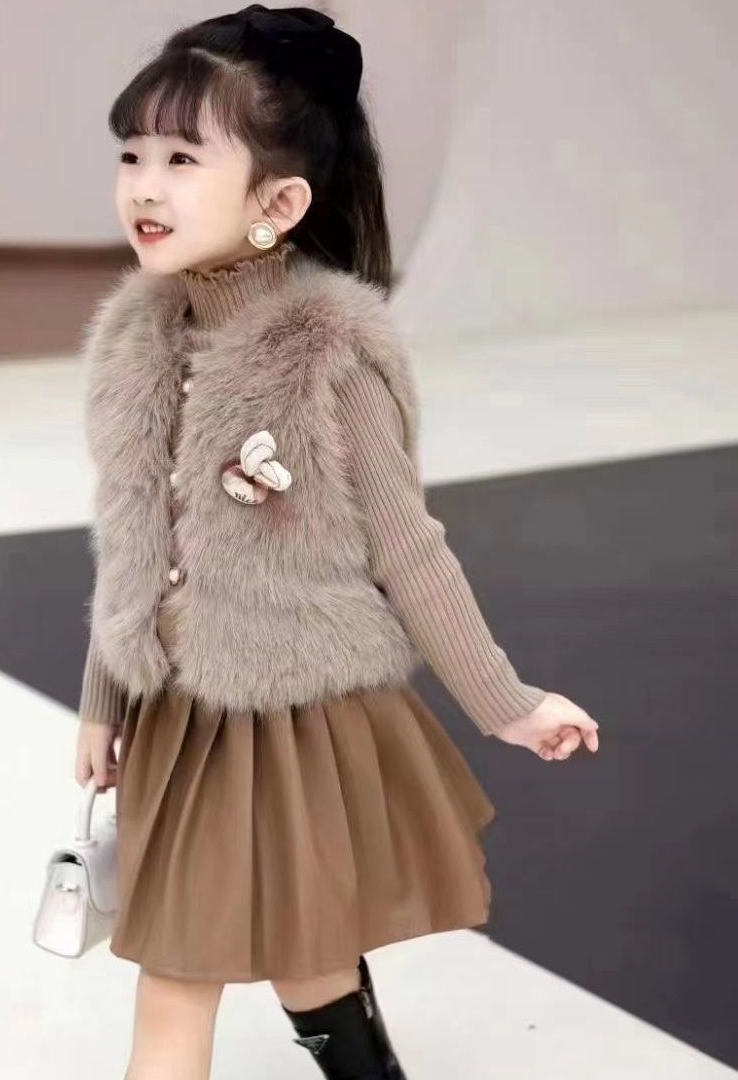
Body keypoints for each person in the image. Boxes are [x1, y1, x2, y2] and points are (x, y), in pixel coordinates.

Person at [72, 6, 601, 1079]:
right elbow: (134, 539)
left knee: (268, 962)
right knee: (240, 962)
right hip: (181, 718)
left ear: (278, 203)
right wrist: (103, 698)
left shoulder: (329, 353)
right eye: (132, 155)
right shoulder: (138, 333)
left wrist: (506, 702)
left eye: (182, 159)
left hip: (293, 717)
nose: (144, 186)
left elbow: (410, 551)